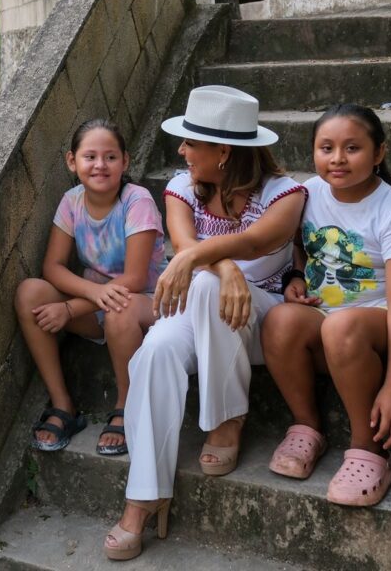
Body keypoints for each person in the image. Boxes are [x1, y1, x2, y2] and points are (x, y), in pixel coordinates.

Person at [104, 86, 306, 561]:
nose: (181, 151)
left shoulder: (286, 195)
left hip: (263, 323)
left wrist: (217, 267)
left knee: (207, 285)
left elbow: (253, 243)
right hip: (200, 308)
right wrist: (225, 267)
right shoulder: (182, 187)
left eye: (191, 142)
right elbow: (184, 242)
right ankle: (143, 498)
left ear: (224, 152)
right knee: (155, 352)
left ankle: (227, 418)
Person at [261, 103, 391, 507]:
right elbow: (301, 247)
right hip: (325, 322)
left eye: (352, 148)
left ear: (378, 152)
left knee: (340, 326)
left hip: (374, 327)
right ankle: (307, 427)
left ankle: (371, 449)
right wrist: (296, 277)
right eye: (326, 148)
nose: (337, 159)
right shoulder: (309, 193)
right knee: (279, 319)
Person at [15, 119, 167, 457]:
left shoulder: (137, 201)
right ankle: (63, 405)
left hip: (144, 304)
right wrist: (92, 294)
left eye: (110, 157)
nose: (100, 165)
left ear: (125, 161)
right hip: (96, 303)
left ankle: (126, 406)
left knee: (119, 310)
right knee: (30, 293)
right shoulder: (72, 202)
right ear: (72, 161)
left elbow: (134, 279)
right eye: (90, 157)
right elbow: (52, 266)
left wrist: (71, 308)